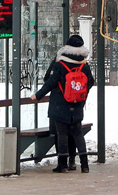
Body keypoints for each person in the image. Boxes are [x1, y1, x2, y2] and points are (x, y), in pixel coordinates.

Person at [32, 34, 96, 173]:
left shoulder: (59, 64)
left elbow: (49, 81)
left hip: (59, 104)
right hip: (77, 103)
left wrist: (38, 96)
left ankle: (63, 164)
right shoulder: (84, 65)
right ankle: (84, 165)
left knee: (61, 134)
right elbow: (90, 82)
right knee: (78, 133)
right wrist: (78, 94)